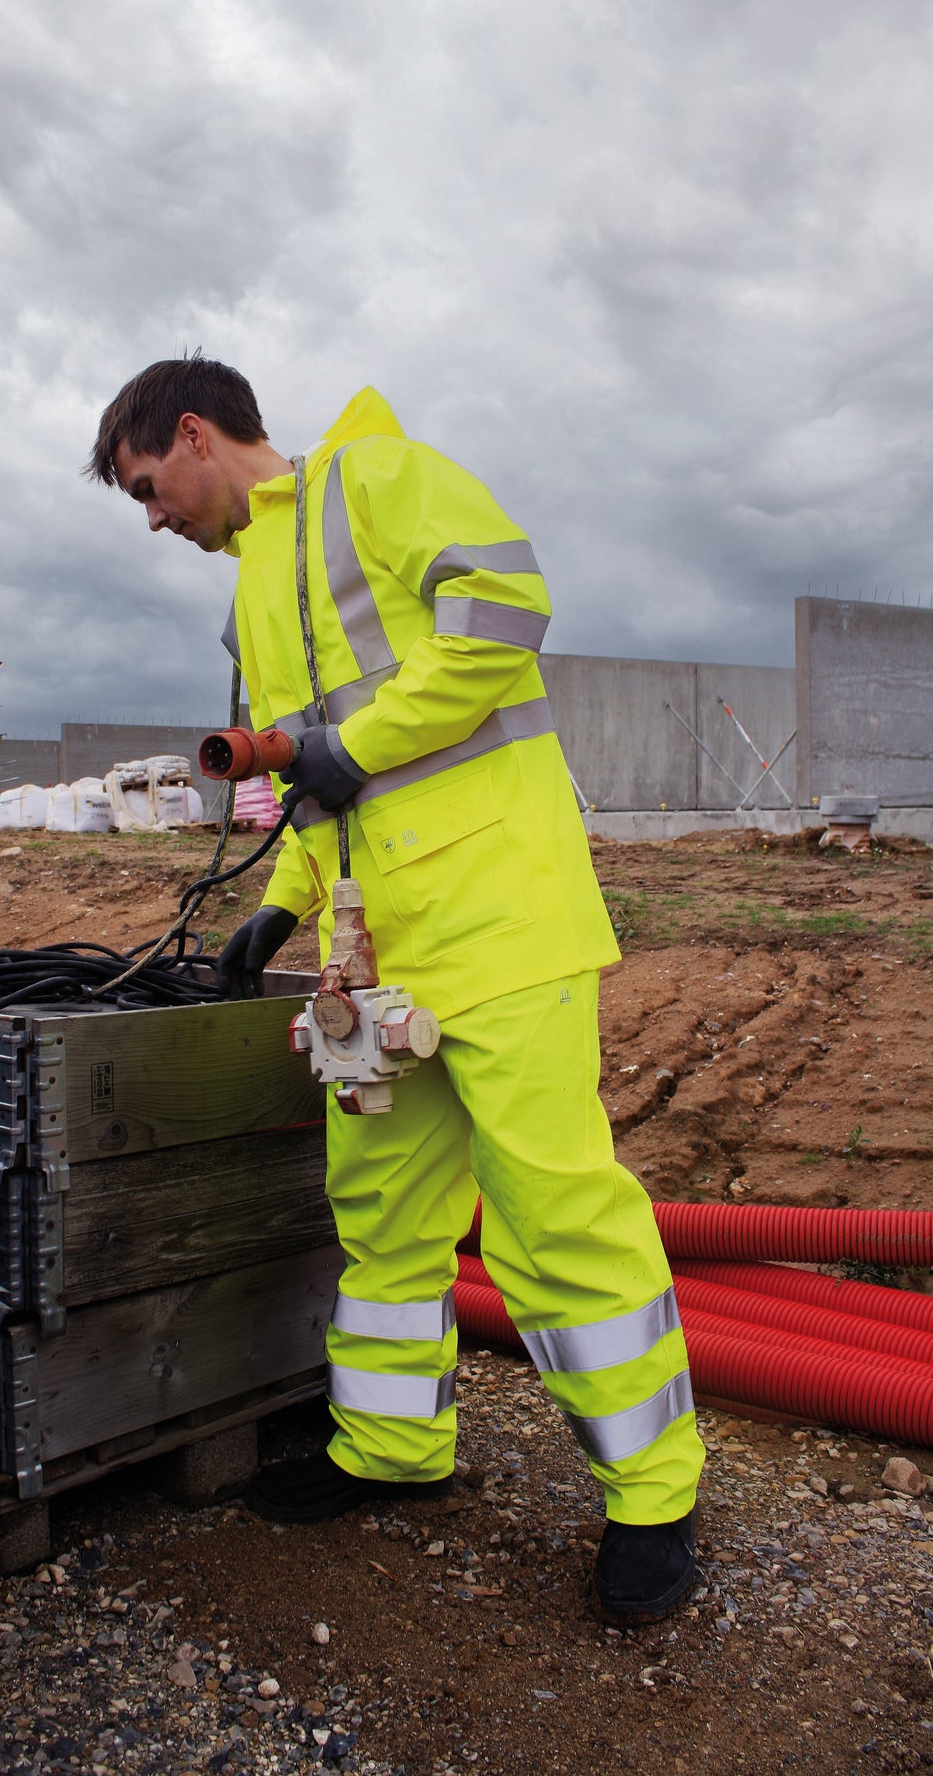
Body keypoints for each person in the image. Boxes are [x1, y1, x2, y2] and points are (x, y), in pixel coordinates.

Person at [88, 357, 704, 1621]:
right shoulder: (254, 592)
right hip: (376, 959)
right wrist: (281, 904)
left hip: (502, 922)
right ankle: (389, 1448)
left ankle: (652, 1498)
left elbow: (503, 608)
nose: (152, 519)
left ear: (194, 434)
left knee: (553, 1217)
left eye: (147, 487)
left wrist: (352, 746)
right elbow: (312, 782)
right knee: (381, 1215)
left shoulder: (374, 476)